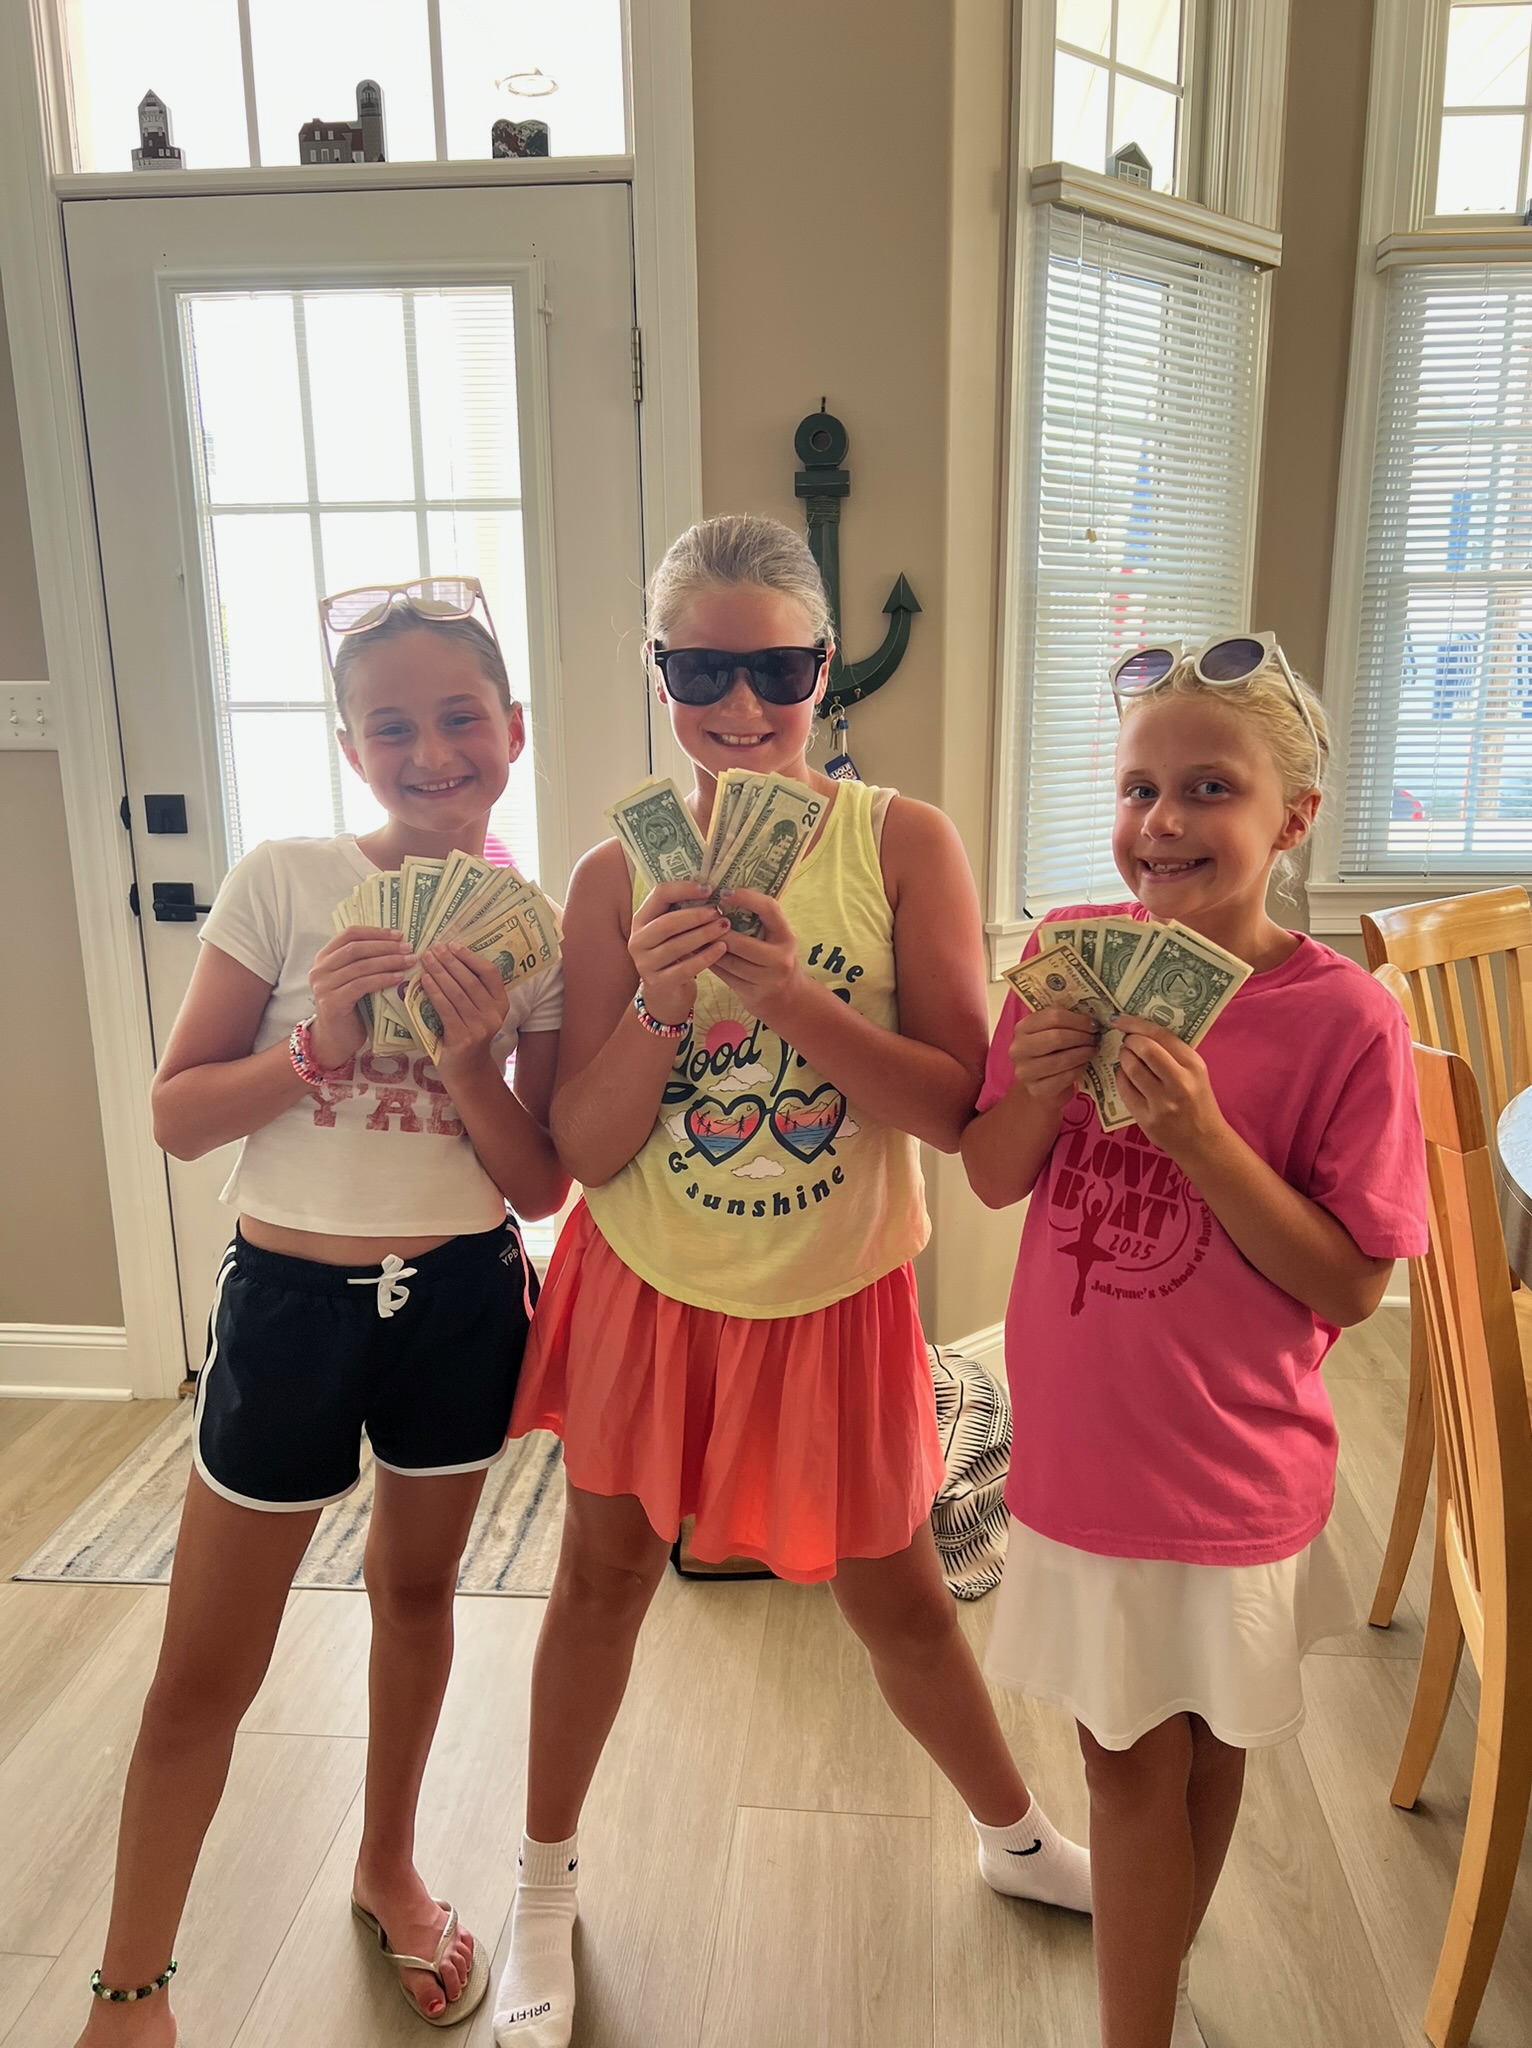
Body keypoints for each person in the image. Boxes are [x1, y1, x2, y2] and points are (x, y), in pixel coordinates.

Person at [491, 516, 1091, 2048]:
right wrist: (665, 1003)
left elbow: (956, 1111)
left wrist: (792, 1002)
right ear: (659, 673)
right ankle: (542, 1886)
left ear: (825, 667)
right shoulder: (615, 871)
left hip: (835, 1297)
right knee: (601, 1584)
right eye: (702, 669)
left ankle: (1015, 1836)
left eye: (777, 668)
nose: (742, 705)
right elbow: (583, 1147)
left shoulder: (903, 845)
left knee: (900, 1598)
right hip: (649, 1288)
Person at [75, 579, 568, 2045]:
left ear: (513, 729)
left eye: (461, 717)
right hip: (290, 1307)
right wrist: (318, 1046)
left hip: (460, 1302)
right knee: (204, 1670)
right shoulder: (286, 881)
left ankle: (387, 1863)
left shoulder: (534, 934)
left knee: (417, 1599)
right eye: (391, 727)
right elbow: (176, 1116)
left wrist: (472, 1059)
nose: (432, 753)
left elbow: (538, 1180)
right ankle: (130, 1986)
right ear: (351, 746)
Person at [961, 639, 1428, 2048]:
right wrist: (1035, 1087)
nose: (1160, 822)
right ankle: (1142, 2013)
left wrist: (1209, 1141)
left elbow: (1351, 1286)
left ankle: (1150, 1981)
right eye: (1138, 788)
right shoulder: (1065, 955)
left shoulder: (1346, 1019)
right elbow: (992, 1176)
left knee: (1210, 1748)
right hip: (1085, 1463)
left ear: (1294, 819)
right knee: (1122, 1766)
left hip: (1234, 1468)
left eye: (1209, 788)